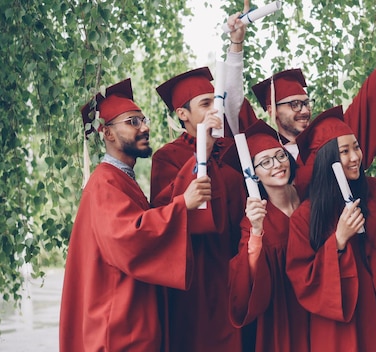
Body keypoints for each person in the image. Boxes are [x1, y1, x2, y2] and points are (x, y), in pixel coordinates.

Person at [59, 78, 212, 351]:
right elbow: (130, 236)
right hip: (118, 325)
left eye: (144, 120)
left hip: (130, 316)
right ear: (107, 133)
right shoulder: (105, 182)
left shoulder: (121, 178)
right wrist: (182, 206)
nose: (145, 128)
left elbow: (150, 216)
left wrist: (204, 148)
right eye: (132, 122)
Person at [149, 5, 255, 351]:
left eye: (216, 102)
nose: (215, 110)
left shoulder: (233, 149)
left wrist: (237, 45)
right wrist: (202, 154)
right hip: (194, 282)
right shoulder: (168, 157)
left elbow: (235, 101)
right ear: (182, 114)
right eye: (206, 104)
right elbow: (165, 213)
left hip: (235, 272)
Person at [250, 4, 376, 198]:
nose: (305, 110)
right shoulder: (266, 154)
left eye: (306, 103)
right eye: (294, 104)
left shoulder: (329, 140)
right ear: (271, 110)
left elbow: (369, 98)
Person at [285, 106, 376, 352]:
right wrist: (338, 241)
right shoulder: (306, 216)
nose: (355, 157)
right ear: (327, 159)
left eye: (356, 147)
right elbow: (303, 279)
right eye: (344, 151)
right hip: (343, 325)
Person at [228, 119, 309, 351]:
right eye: (265, 162)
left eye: (280, 156)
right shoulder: (253, 219)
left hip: (319, 300)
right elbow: (246, 274)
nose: (277, 165)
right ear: (254, 175)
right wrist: (256, 231)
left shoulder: (308, 196)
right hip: (284, 310)